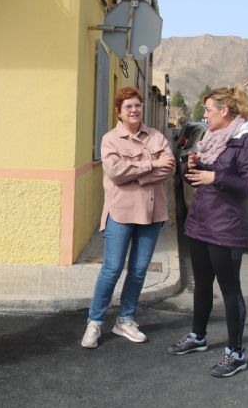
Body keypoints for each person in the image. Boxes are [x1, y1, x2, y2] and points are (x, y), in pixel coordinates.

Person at [167, 85, 248, 378]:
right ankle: (198, 336)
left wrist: (216, 176)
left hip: (228, 227)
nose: (204, 114)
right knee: (203, 284)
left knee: (230, 290)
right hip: (201, 222)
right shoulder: (211, 138)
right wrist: (192, 166)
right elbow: (198, 181)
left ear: (225, 111)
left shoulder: (247, 141)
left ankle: (236, 354)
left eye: (208, 109)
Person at [81, 87, 176, 349]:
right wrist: (151, 165)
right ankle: (95, 322)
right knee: (111, 270)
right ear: (118, 111)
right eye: (128, 107)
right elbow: (115, 172)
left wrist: (140, 172)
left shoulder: (156, 136)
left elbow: (169, 167)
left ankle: (125, 319)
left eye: (137, 105)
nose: (134, 110)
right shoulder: (110, 139)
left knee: (138, 270)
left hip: (152, 213)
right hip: (121, 213)